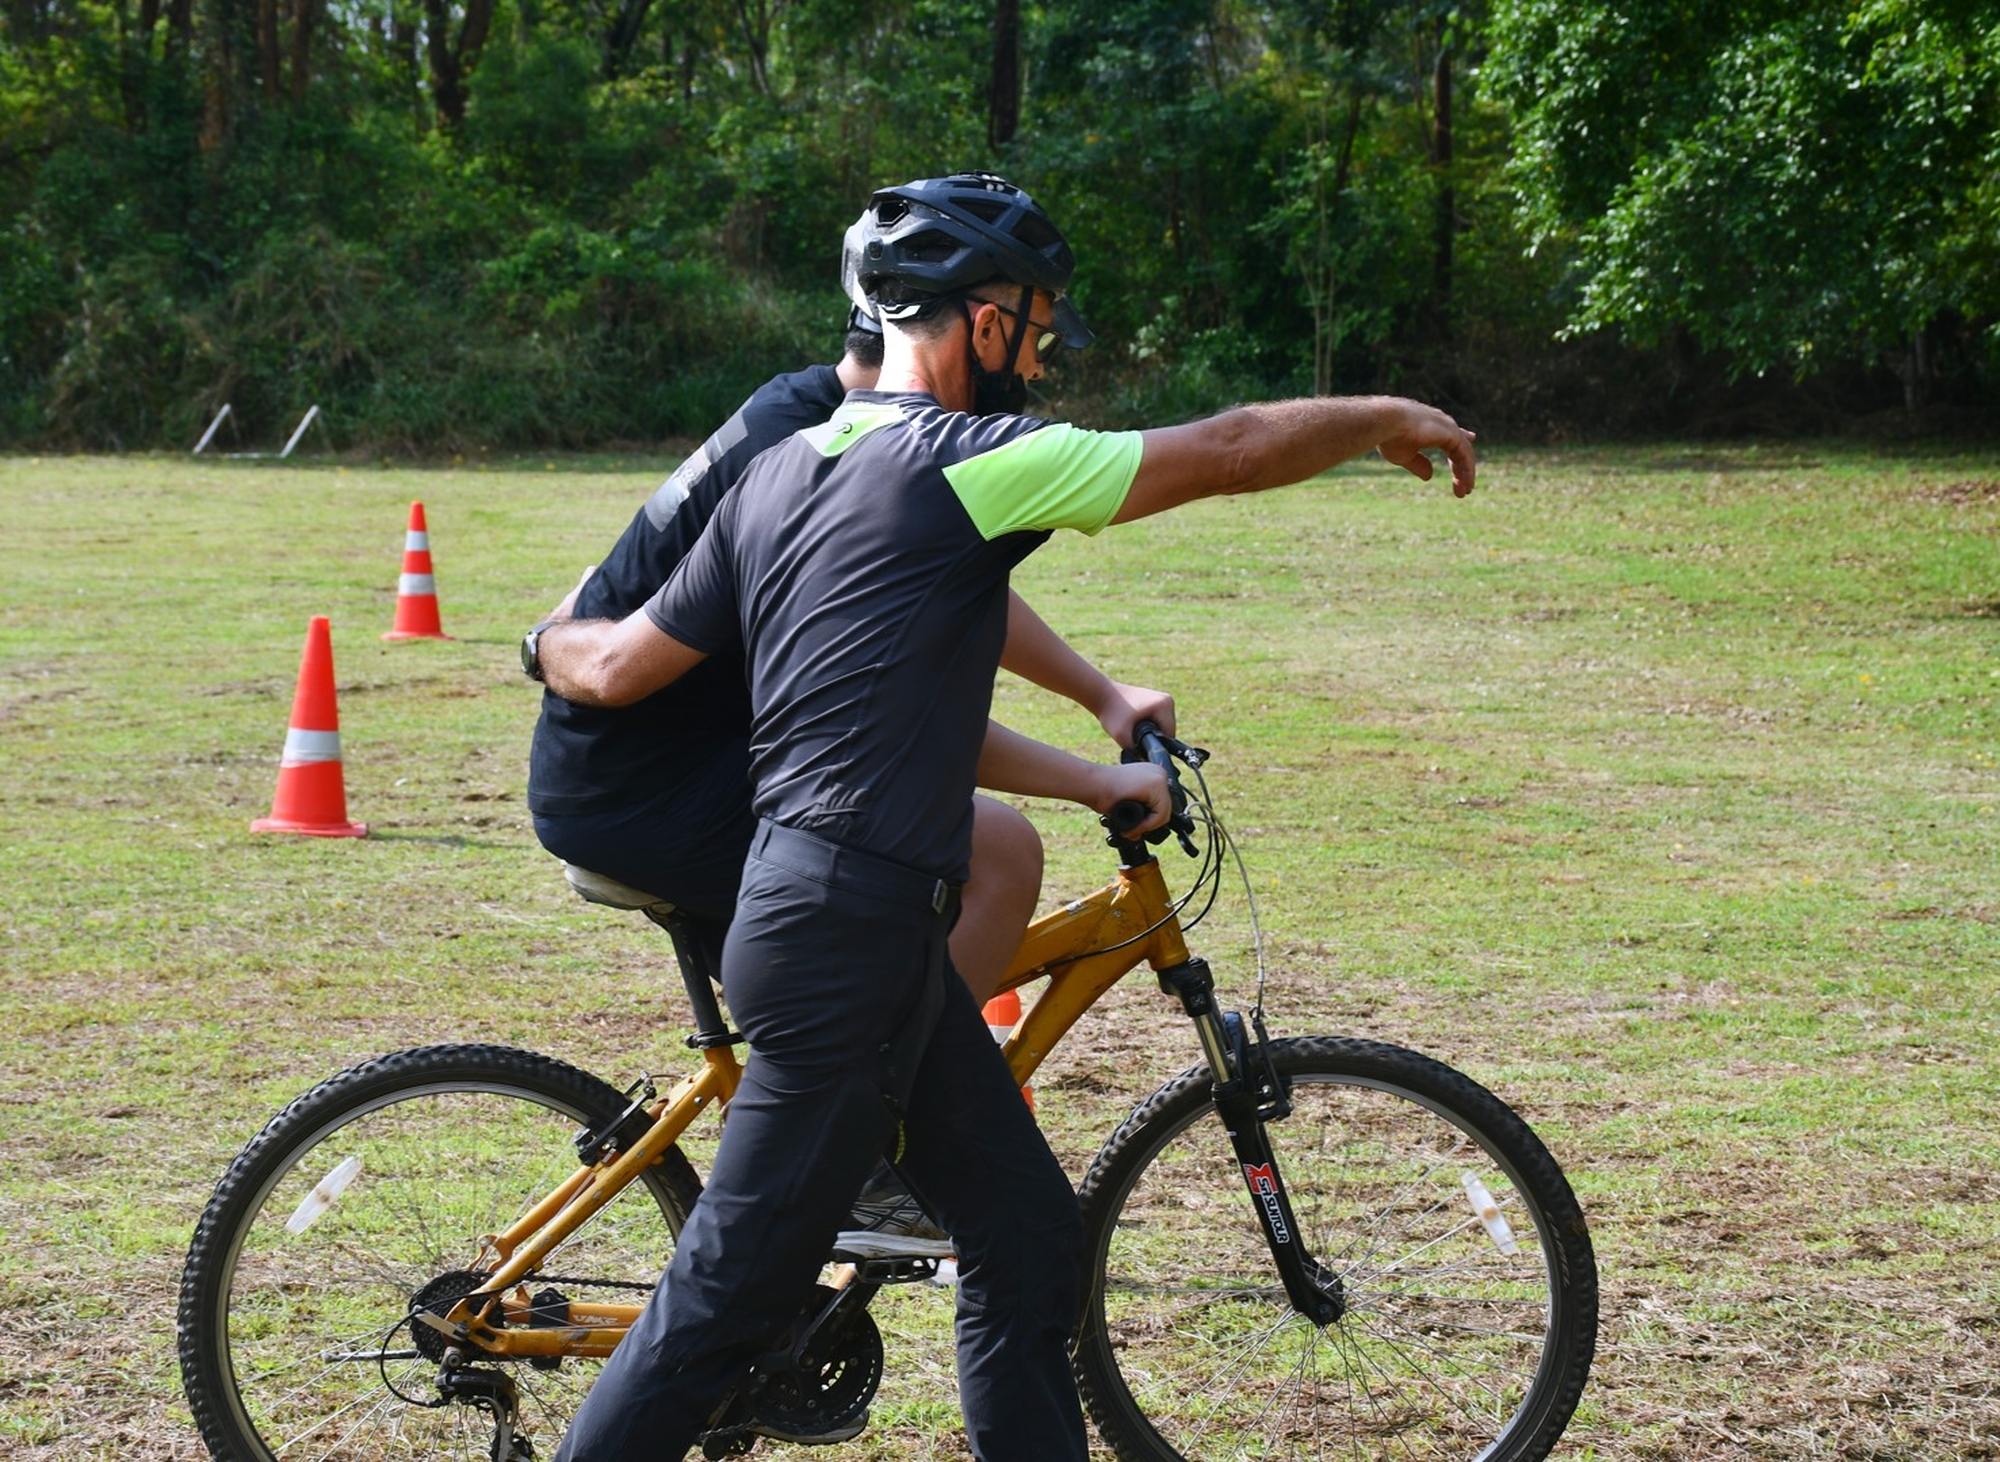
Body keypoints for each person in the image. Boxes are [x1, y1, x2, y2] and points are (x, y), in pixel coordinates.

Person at [529, 172, 1477, 1462]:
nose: (1039, 358)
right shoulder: (965, 463)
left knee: (1025, 1234)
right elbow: (1229, 449)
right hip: (842, 941)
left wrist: (543, 637)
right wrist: (1378, 414)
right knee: (719, 1303)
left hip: (855, 932)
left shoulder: (780, 477)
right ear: (977, 319)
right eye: (1033, 329)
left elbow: (618, 661)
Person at [527, 291, 1173, 1006]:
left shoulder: (805, 413)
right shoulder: (821, 453)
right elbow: (885, 716)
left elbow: (950, 578)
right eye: (1030, 345)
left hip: (635, 766)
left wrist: (1100, 695)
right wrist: (1091, 781)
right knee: (1000, 855)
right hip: (651, 786)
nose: (1033, 371)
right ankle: (908, 1071)